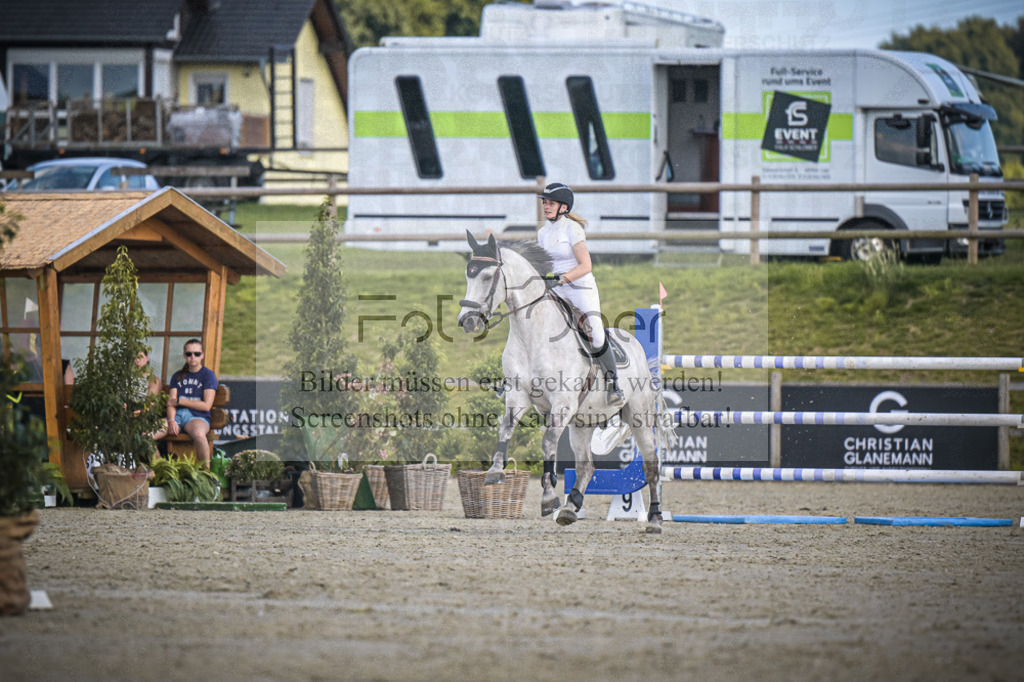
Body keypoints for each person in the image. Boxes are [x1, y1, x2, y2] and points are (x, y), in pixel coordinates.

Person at [536, 182, 623, 406]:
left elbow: (586, 265)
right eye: (545, 202)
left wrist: (562, 278)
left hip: (580, 287)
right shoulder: (543, 233)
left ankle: (614, 386)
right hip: (557, 288)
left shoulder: (573, 230)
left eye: (551, 203)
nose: (546, 206)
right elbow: (545, 265)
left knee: (596, 331)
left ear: (563, 207)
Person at [152, 339, 218, 467]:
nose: (193, 357)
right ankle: (161, 469)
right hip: (176, 416)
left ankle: (207, 474)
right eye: (189, 354)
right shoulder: (177, 375)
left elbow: (206, 405)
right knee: (146, 436)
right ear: (184, 356)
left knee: (199, 434)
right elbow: (171, 403)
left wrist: (181, 401)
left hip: (197, 417)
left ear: (202, 355)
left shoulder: (208, 375)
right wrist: (171, 421)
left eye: (196, 354)